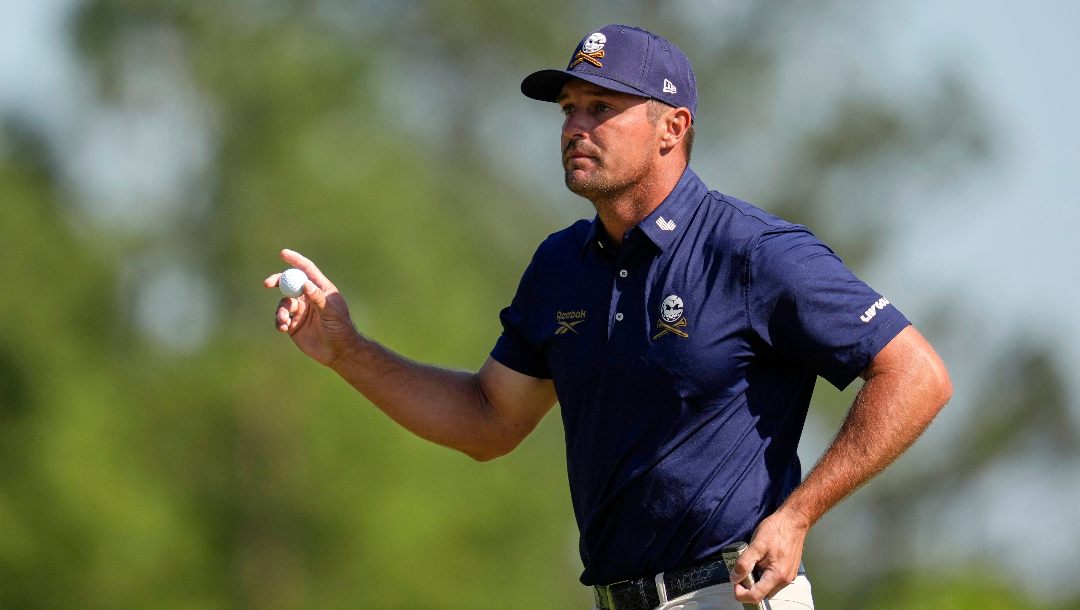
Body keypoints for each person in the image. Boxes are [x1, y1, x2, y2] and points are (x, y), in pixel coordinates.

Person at [264, 24, 952, 610]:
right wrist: (349, 351)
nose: (574, 128)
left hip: (732, 593)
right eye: (568, 109)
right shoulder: (561, 265)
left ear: (671, 128)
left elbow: (916, 373)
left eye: (601, 108)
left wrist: (798, 515)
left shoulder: (752, 252)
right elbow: (488, 420)